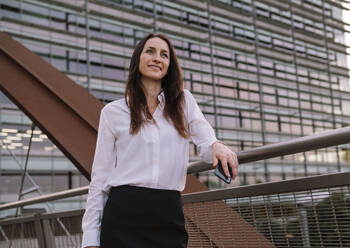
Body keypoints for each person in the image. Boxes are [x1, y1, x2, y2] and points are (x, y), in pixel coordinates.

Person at [81, 33, 239, 248]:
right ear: (137, 60)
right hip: (123, 214)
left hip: (167, 212)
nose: (157, 58)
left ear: (169, 65)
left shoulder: (183, 102)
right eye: (150, 51)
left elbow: (205, 139)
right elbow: (99, 178)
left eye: (164, 55)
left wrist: (216, 145)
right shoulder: (112, 112)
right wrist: (90, 237)